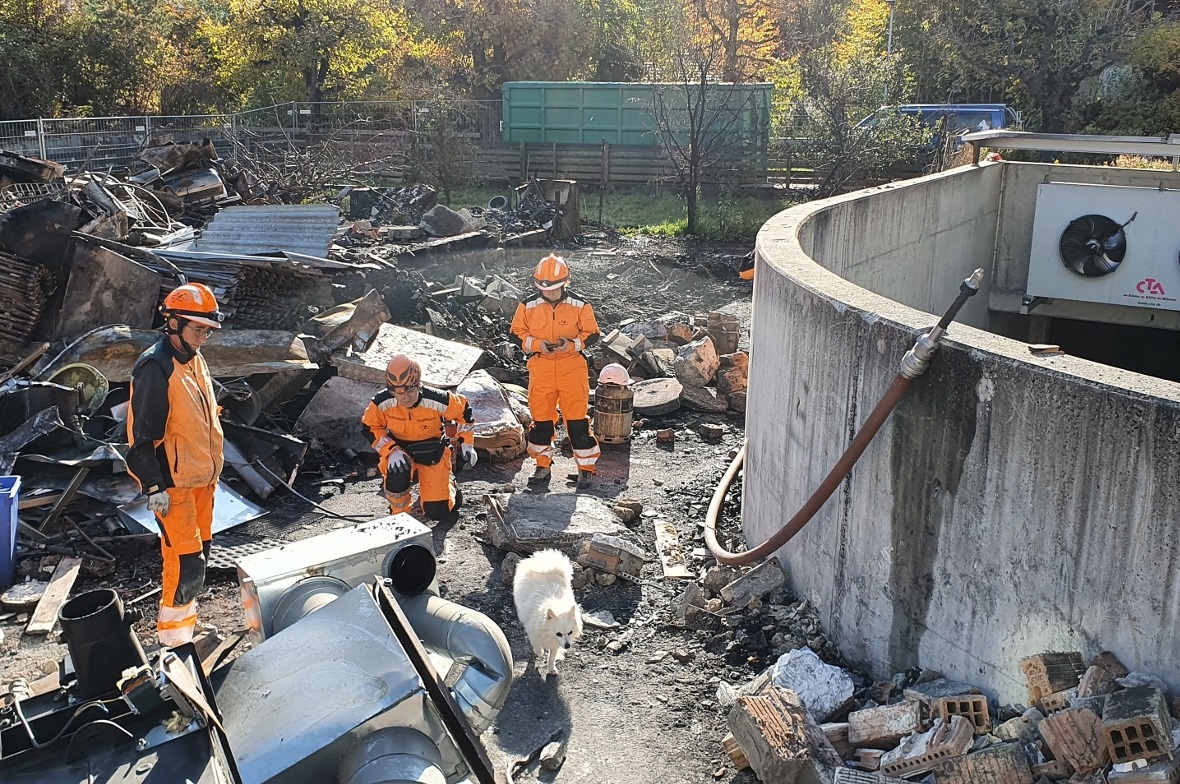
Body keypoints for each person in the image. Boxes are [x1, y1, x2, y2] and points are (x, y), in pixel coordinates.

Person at [125, 282, 225, 648]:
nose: (203, 338)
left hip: (203, 482)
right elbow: (141, 438)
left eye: (207, 331)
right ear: (173, 323)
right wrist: (153, 487)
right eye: (197, 329)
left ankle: (187, 630)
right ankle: (174, 642)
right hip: (174, 488)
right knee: (185, 566)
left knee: (201, 560)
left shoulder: (195, 360)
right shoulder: (156, 367)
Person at [510, 254, 601, 486]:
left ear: (565, 283)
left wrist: (571, 345)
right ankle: (542, 466)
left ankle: (586, 469)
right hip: (541, 367)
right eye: (543, 289)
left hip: (572, 368)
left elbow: (592, 334)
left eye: (553, 289)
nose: (548, 293)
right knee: (541, 421)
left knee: (577, 422)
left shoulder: (580, 305)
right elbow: (515, 332)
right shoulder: (527, 305)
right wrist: (536, 344)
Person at [361, 353, 477, 522]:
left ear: (418, 384)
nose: (404, 398)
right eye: (398, 393)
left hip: (432, 450)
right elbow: (370, 427)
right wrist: (390, 450)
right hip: (400, 451)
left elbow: (464, 412)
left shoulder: (438, 399)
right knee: (397, 473)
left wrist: (467, 443)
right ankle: (399, 514)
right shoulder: (381, 402)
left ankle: (449, 486)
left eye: (410, 391)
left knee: (437, 512)